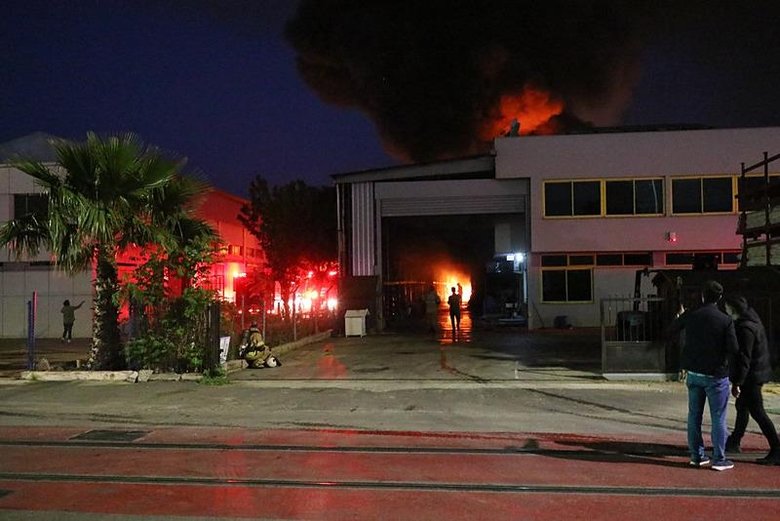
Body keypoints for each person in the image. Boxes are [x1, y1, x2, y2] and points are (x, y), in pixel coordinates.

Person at [668, 280, 739, 471]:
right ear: (719, 298)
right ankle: (719, 458)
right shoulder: (725, 320)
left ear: (702, 295)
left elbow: (672, 329)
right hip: (716, 374)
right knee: (718, 417)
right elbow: (733, 349)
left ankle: (696, 455)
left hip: (694, 371)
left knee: (694, 415)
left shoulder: (692, 315)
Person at [723, 295, 780, 464]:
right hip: (757, 373)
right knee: (743, 407)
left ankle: (776, 447)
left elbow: (744, 358)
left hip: (751, 376)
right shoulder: (753, 321)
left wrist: (737, 382)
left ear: (733, 309)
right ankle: (735, 440)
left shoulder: (745, 328)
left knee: (757, 411)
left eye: (727, 308)